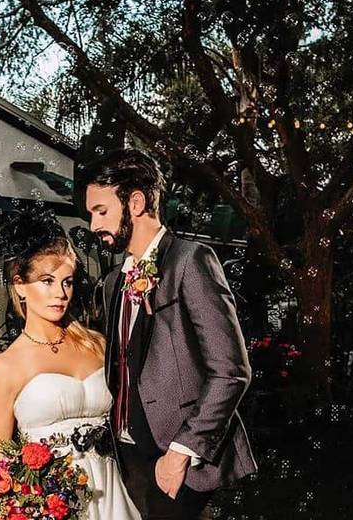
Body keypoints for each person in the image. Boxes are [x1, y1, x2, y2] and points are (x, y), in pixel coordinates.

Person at [83, 148, 258, 519]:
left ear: (136, 202)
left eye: (101, 212)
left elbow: (231, 372)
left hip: (181, 463)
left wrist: (181, 452)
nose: (94, 225)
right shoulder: (113, 282)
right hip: (129, 461)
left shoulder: (190, 261)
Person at [0, 207, 142, 520]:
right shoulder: (6, 367)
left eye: (67, 282)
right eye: (47, 281)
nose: (60, 293)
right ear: (20, 286)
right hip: (51, 503)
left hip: (113, 494)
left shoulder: (98, 345)